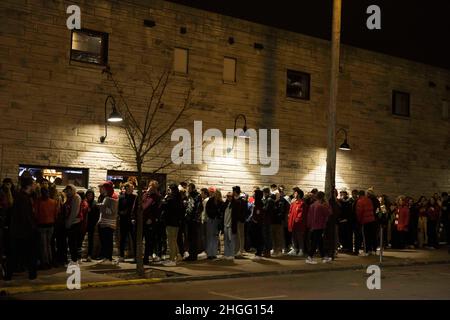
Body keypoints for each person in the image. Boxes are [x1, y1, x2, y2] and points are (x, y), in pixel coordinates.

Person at [5, 177, 38, 280]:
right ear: (28, 185)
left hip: (17, 231)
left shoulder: (20, 196)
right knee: (30, 253)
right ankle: (32, 274)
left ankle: (8, 275)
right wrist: (32, 228)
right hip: (24, 232)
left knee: (14, 254)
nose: (35, 185)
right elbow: (25, 216)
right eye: (33, 184)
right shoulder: (24, 198)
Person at [34, 185, 59, 269]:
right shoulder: (53, 202)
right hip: (51, 225)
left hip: (41, 225)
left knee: (43, 245)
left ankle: (45, 262)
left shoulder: (38, 202)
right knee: (49, 244)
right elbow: (56, 215)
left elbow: (36, 214)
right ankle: (50, 261)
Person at [160, 183, 184, 266]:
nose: (167, 191)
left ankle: (172, 259)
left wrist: (165, 199)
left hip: (171, 222)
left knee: (171, 241)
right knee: (174, 240)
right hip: (176, 222)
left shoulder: (171, 199)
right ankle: (178, 255)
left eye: (169, 189)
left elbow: (163, 206)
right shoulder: (178, 198)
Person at [305, 191, 332, 264]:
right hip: (319, 226)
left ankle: (323, 256)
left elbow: (309, 216)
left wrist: (309, 225)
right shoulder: (321, 206)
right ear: (323, 197)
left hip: (313, 226)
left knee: (320, 242)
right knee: (315, 242)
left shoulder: (313, 205)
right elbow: (329, 212)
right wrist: (327, 204)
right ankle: (309, 257)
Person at [97, 181, 119, 263]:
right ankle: (105, 256)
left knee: (108, 240)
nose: (100, 189)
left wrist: (100, 206)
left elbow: (112, 211)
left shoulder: (113, 197)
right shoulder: (104, 196)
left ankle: (108, 257)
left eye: (102, 188)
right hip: (103, 222)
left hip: (109, 223)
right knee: (104, 240)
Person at [142, 180, 162, 264]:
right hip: (142, 219)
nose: (151, 188)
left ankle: (147, 257)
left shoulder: (157, 197)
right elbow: (141, 204)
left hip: (151, 221)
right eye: (151, 186)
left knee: (149, 240)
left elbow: (157, 210)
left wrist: (152, 218)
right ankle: (140, 257)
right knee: (140, 239)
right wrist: (146, 193)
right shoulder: (145, 194)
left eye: (153, 187)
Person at [63, 184, 82, 266]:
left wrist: (68, 223)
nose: (67, 192)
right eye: (67, 191)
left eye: (69, 190)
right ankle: (74, 260)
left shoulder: (76, 197)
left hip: (75, 223)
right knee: (71, 242)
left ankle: (74, 260)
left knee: (72, 242)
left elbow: (74, 212)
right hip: (70, 222)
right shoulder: (69, 198)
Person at [118, 183, 137, 262]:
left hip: (132, 221)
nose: (132, 189)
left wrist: (134, 218)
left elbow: (137, 209)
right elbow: (118, 208)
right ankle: (121, 256)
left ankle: (136, 256)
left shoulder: (135, 197)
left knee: (134, 239)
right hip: (123, 220)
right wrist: (121, 213)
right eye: (130, 188)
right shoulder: (121, 197)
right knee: (122, 239)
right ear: (126, 189)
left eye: (132, 188)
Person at [356, 190, 377, 256]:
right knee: (372, 236)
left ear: (359, 195)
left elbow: (359, 212)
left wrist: (359, 220)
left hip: (365, 220)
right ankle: (373, 250)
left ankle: (366, 251)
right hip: (372, 219)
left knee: (365, 237)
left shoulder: (360, 201)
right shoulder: (369, 200)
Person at [185, 183, 201, 261]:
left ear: (192, 188)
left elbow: (198, 208)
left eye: (189, 188)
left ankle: (193, 255)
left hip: (193, 220)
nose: (188, 189)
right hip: (189, 219)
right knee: (190, 238)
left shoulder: (197, 196)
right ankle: (191, 254)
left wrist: (195, 218)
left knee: (193, 238)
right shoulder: (190, 196)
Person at [287, 187, 305, 256]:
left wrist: (297, 220)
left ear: (299, 194)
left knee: (299, 236)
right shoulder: (293, 203)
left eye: (295, 193)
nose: (294, 194)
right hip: (292, 222)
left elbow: (301, 214)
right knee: (293, 236)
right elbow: (290, 211)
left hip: (298, 223)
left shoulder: (302, 203)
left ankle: (301, 250)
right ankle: (294, 249)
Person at [205, 187, 222, 260]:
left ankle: (213, 253)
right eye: (216, 193)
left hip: (216, 220)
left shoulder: (220, 202)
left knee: (214, 237)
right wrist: (214, 214)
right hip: (211, 220)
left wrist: (217, 215)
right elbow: (207, 210)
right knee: (210, 237)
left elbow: (221, 212)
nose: (217, 195)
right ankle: (209, 253)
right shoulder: (210, 200)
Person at [232, 186, 248, 258]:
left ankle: (240, 250)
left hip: (240, 220)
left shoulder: (242, 200)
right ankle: (236, 250)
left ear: (235, 191)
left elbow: (245, 210)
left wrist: (242, 218)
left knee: (241, 235)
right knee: (236, 236)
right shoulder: (233, 199)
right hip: (234, 220)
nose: (233, 192)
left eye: (233, 191)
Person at [250, 189, 264, 261]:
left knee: (258, 238)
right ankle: (257, 253)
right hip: (255, 223)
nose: (253, 194)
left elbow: (259, 213)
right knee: (256, 238)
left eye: (254, 193)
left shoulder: (259, 203)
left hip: (258, 224)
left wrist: (255, 220)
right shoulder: (256, 202)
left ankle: (259, 254)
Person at [85, 189, 99, 261]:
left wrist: (95, 223)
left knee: (90, 240)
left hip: (91, 224)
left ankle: (89, 255)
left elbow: (97, 215)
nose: (89, 196)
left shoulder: (95, 203)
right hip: (84, 224)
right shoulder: (84, 203)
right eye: (88, 195)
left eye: (91, 195)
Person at [222, 192, 238, 260]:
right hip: (225, 224)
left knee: (231, 240)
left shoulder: (235, 204)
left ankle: (231, 254)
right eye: (227, 196)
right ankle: (226, 253)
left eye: (230, 196)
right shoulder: (225, 204)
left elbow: (236, 215)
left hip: (231, 225)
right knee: (226, 240)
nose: (229, 197)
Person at [262, 187, 275, 258]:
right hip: (266, 220)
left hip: (267, 221)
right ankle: (266, 251)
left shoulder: (269, 200)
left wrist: (261, 207)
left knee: (267, 237)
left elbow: (266, 209)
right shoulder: (267, 199)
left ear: (265, 192)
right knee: (266, 236)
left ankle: (267, 252)